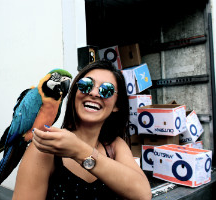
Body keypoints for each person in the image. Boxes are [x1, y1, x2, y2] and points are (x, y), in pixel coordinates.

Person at [13, 60, 152, 200]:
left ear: (117, 105)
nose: (94, 93)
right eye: (86, 85)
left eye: (107, 90)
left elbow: (143, 194)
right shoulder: (46, 147)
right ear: (74, 94)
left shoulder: (115, 146)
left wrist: (79, 151)